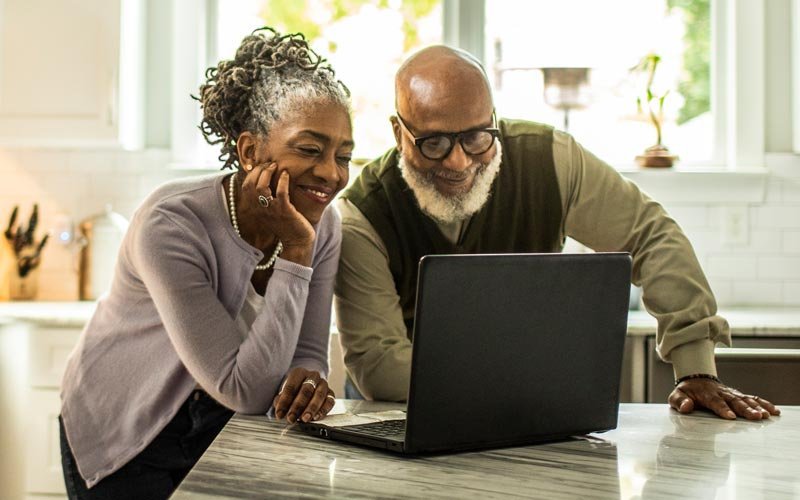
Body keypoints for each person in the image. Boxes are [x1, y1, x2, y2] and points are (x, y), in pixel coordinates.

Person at [334, 45, 780, 421]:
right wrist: (540, 375)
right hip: (400, 419)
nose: (459, 162)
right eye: (434, 143)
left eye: (477, 137)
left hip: (530, 414)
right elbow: (379, 366)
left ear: (494, 118)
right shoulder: (361, 215)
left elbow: (650, 235)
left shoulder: (551, 161)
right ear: (398, 132)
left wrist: (695, 367)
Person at [59, 27, 354, 498]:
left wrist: (309, 379)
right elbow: (247, 389)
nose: (331, 173)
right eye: (310, 149)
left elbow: (306, 353)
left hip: (222, 424)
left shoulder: (325, 224)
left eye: (344, 155)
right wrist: (297, 250)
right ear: (250, 150)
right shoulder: (170, 224)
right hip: (125, 425)